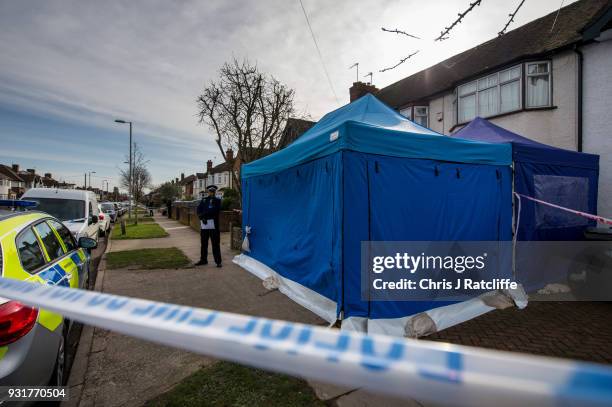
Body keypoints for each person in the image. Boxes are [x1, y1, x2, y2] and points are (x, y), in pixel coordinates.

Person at [195, 185, 222, 267]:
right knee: (204, 243)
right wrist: (201, 218)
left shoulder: (217, 201)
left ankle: (218, 261)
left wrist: (204, 215)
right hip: (204, 225)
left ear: (215, 192)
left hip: (214, 225)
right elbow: (198, 210)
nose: (211, 193)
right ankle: (203, 260)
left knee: (215, 244)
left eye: (213, 191)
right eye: (210, 191)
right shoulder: (204, 200)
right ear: (208, 192)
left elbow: (214, 210)